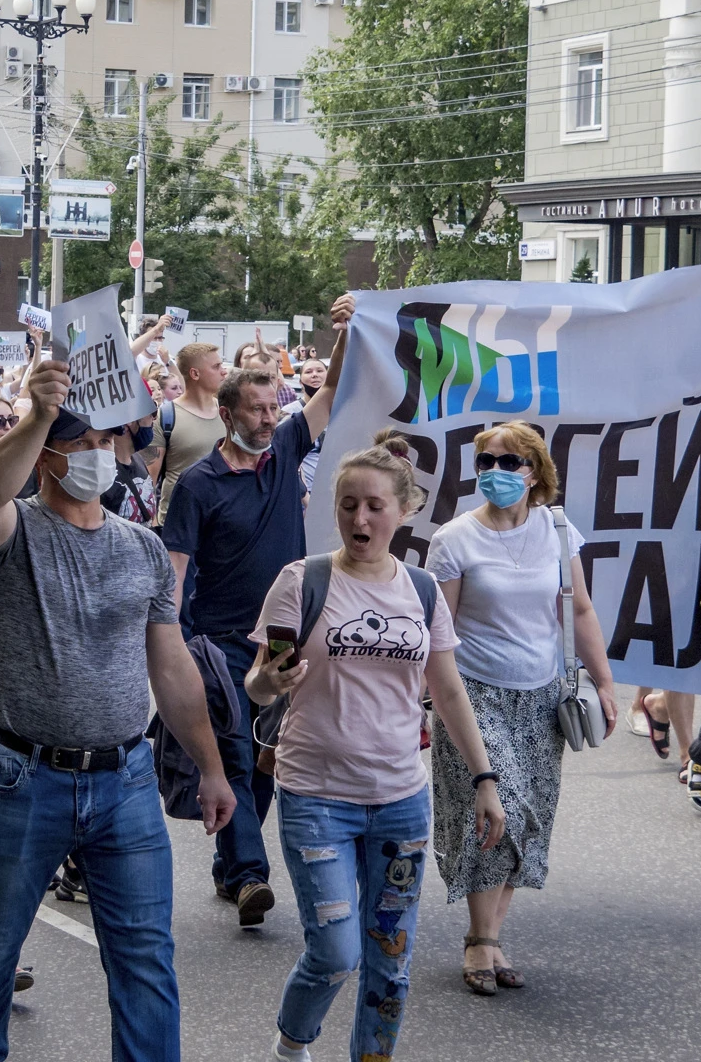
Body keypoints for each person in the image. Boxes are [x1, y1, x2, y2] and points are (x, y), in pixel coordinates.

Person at [0, 359, 235, 1062]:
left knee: (145, 958)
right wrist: (40, 414)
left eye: (106, 442)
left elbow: (171, 668)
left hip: (125, 780)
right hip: (26, 775)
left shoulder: (140, 545)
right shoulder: (12, 533)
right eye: (81, 443)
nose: (98, 456)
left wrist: (211, 767)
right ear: (44, 456)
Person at [245, 439, 506, 1062]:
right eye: (347, 505)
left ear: (405, 509)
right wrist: (268, 682)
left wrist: (484, 778)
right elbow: (257, 684)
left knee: (390, 961)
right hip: (315, 797)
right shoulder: (302, 581)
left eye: (374, 506)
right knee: (336, 951)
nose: (360, 520)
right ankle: (291, 1043)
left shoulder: (421, 592)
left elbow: (446, 690)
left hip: (399, 801)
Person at [426, 420, 617, 993]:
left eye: (509, 463)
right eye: (485, 461)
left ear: (535, 473)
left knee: (528, 816)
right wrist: (423, 700)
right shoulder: (453, 539)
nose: (494, 472)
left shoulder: (559, 531)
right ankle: (481, 942)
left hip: (543, 695)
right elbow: (440, 630)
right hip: (474, 692)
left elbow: (579, 610)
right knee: (497, 807)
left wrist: (604, 682)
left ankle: (489, 934)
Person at [160, 342, 344, 929]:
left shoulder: (288, 449)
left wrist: (346, 331)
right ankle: (248, 875)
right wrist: (171, 641)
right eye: (257, 410)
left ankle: (229, 864)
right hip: (220, 644)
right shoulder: (198, 484)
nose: (269, 419)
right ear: (227, 414)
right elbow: (177, 569)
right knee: (235, 752)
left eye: (274, 407)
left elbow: (333, 392)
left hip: (287, 638)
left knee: (267, 758)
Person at [148, 342, 227, 527]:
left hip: (223, 525)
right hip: (177, 526)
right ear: (195, 374)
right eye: (216, 367)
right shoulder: (165, 417)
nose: (223, 371)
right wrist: (153, 524)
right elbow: (148, 480)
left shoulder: (228, 412)